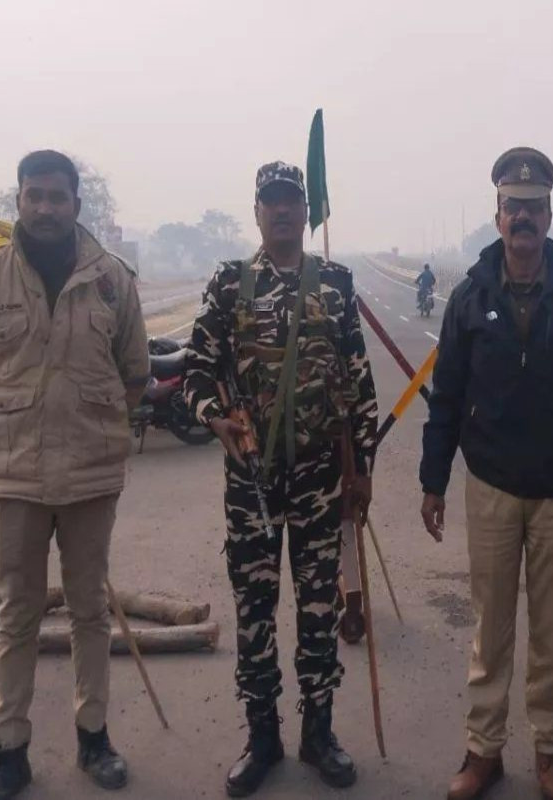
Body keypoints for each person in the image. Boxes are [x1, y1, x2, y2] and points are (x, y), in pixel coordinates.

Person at [420, 146, 553, 800]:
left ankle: (550, 752)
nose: (524, 219)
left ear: (549, 214)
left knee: (551, 633)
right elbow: (445, 394)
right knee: (491, 627)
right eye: (514, 207)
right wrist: (432, 481)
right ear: (499, 214)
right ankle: (483, 752)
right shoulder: (469, 298)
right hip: (491, 487)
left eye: (535, 208)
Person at [0, 149, 149, 800]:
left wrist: (89, 422)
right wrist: (10, 429)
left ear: (76, 203)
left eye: (57, 196)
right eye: (33, 195)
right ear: (19, 201)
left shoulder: (113, 280)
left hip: (91, 474)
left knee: (90, 610)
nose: (45, 207)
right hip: (15, 479)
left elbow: (135, 373)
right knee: (18, 614)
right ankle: (10, 753)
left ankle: (95, 739)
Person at [182, 161, 379, 797]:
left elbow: (361, 382)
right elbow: (195, 371)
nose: (284, 211)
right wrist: (216, 419)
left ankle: (318, 732)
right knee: (256, 612)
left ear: (306, 210)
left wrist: (363, 472)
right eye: (272, 201)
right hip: (253, 485)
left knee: (320, 609)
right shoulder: (230, 285)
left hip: (323, 478)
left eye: (293, 200)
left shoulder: (338, 284)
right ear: (258, 211)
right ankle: (261, 735)